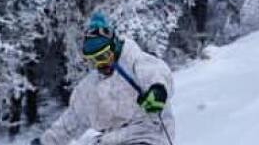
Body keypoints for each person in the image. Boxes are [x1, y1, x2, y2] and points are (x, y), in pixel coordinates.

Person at [40, 13, 176, 145]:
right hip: (110, 140)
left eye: (103, 56)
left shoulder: (135, 62)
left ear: (114, 46)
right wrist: (46, 141)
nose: (100, 64)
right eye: (93, 60)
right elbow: (71, 121)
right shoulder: (89, 88)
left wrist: (157, 91)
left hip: (147, 135)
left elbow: (156, 73)